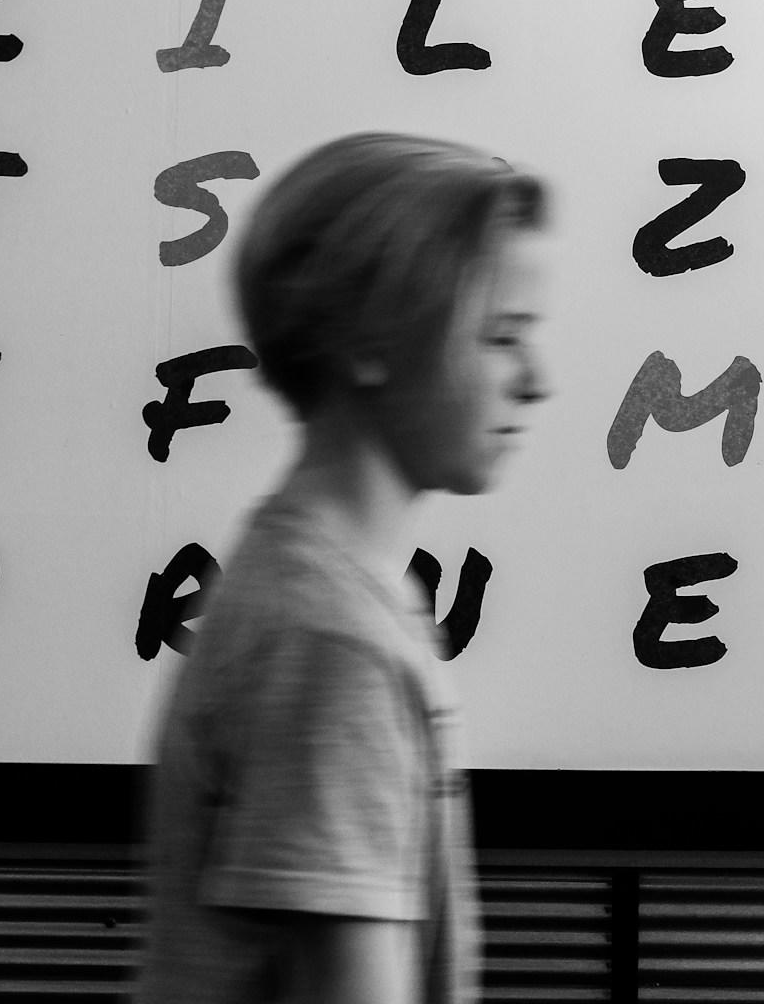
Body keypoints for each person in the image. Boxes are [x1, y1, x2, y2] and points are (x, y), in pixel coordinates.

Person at [136, 132, 548, 1004]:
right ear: (370, 342)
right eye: (502, 336)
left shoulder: (328, 591)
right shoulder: (331, 643)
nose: (535, 379)